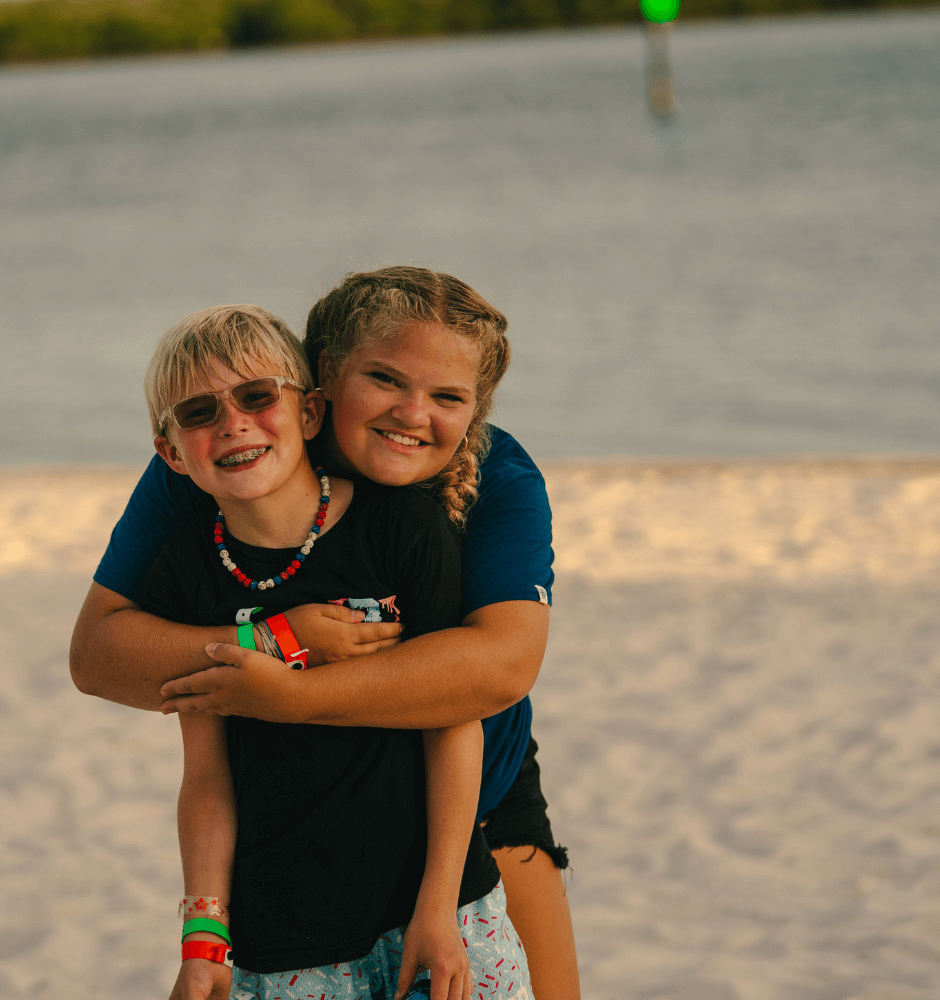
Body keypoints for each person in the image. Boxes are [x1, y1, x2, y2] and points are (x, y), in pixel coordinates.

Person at [71, 267, 579, 999]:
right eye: (383, 379)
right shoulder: (225, 453)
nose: (411, 413)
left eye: (446, 397)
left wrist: (289, 695)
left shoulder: (496, 478)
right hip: (304, 852)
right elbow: (98, 657)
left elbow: (497, 670)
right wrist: (276, 641)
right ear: (323, 384)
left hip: (475, 809)